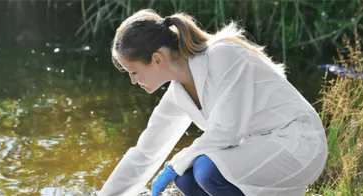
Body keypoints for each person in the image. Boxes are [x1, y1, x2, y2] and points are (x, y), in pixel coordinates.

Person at [98, 9, 328, 196]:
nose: (132, 81)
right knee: (186, 178)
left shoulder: (224, 56)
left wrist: (175, 162)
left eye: (134, 72)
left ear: (157, 59)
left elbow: (226, 132)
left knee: (205, 170)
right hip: (258, 151)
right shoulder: (178, 93)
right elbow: (145, 153)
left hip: (297, 145)